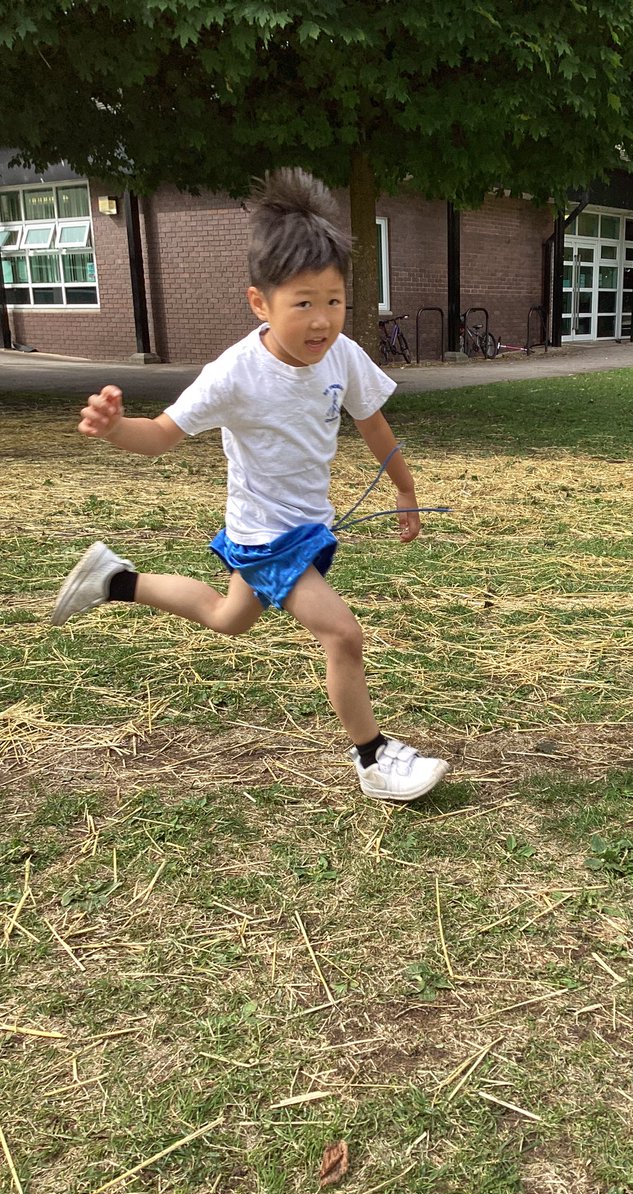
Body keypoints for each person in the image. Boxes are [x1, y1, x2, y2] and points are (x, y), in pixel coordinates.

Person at [51, 169, 449, 803]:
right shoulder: (234, 374)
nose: (322, 321)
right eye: (303, 304)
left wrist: (404, 489)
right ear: (260, 303)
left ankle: (114, 581)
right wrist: (115, 427)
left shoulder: (342, 354)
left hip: (305, 526)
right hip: (266, 535)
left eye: (335, 301)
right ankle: (373, 758)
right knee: (343, 633)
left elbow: (372, 421)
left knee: (226, 617)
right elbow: (161, 434)